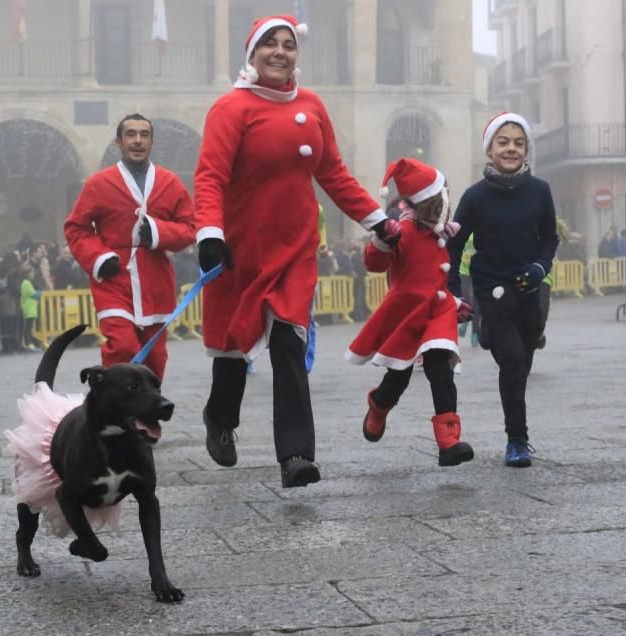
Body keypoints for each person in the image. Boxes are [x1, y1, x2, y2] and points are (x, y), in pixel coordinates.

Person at [193, 15, 398, 488]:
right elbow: (210, 178)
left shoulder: (312, 105)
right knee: (234, 344)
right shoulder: (230, 108)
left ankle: (296, 455)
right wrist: (209, 233)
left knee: (289, 343)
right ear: (252, 53)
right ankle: (220, 418)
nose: (280, 52)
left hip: (294, 247)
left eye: (288, 45)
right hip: (240, 247)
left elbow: (334, 174)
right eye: (270, 44)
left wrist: (378, 220)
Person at [447, 111, 558, 468]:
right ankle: (518, 439)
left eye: (518, 143)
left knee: (522, 358)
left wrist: (540, 267)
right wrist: (454, 291)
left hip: (530, 286)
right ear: (490, 149)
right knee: (511, 361)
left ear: (526, 150)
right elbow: (453, 242)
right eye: (503, 142)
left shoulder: (540, 191)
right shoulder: (475, 196)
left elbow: (550, 238)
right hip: (491, 284)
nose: (511, 149)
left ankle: (495, 336)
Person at [346, 159, 474, 467]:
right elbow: (374, 264)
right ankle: (379, 404)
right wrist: (382, 240)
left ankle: (448, 441)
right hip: (406, 313)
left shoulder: (441, 234)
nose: (444, 202)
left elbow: (435, 278)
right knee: (399, 377)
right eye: (439, 197)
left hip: (436, 312)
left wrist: (454, 304)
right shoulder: (401, 230)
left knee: (440, 370)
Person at [65, 113, 196, 380]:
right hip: (113, 282)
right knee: (123, 347)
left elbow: (189, 228)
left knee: (155, 359)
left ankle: (144, 417)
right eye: (131, 135)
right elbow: (76, 228)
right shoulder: (98, 183)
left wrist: (158, 231)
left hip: (156, 284)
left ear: (152, 143)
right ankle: (114, 411)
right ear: (119, 142)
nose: (137, 140)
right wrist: (99, 257)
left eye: (144, 135)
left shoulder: (170, 183)